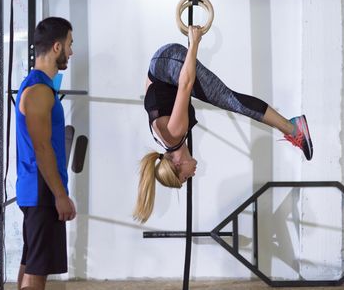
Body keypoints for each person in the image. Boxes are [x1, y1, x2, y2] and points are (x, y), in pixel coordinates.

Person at [133, 26, 313, 223]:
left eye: (185, 178)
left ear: (178, 164)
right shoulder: (164, 139)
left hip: (168, 63)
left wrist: (194, 43)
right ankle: (291, 127)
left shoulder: (174, 133)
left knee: (228, 100)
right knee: (223, 98)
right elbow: (151, 87)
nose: (191, 175)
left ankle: (294, 128)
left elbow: (185, 84)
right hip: (161, 66)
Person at [15, 17, 76, 290]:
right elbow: (42, 148)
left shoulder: (40, 85)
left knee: (30, 265)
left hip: (36, 190)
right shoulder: (39, 91)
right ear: (56, 47)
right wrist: (60, 195)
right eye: (69, 44)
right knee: (36, 275)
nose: (71, 52)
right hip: (42, 191)